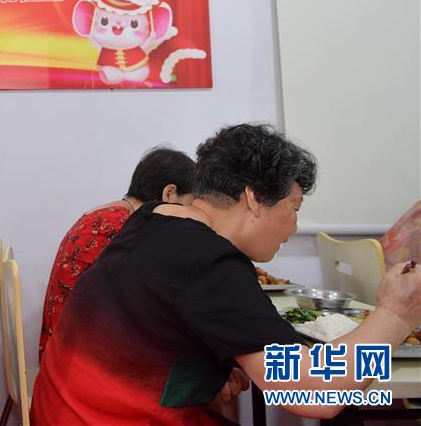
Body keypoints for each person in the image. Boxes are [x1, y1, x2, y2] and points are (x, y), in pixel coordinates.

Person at [31, 123, 421, 425]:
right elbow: (317, 394)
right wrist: (396, 315)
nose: (293, 225)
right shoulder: (209, 262)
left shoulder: (152, 218)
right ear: (254, 198)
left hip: (60, 410)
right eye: (294, 208)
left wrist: (214, 364)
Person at [39, 146, 195, 357]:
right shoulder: (121, 227)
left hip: (62, 345)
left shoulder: (111, 214)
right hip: (73, 354)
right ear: (169, 193)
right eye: (187, 207)